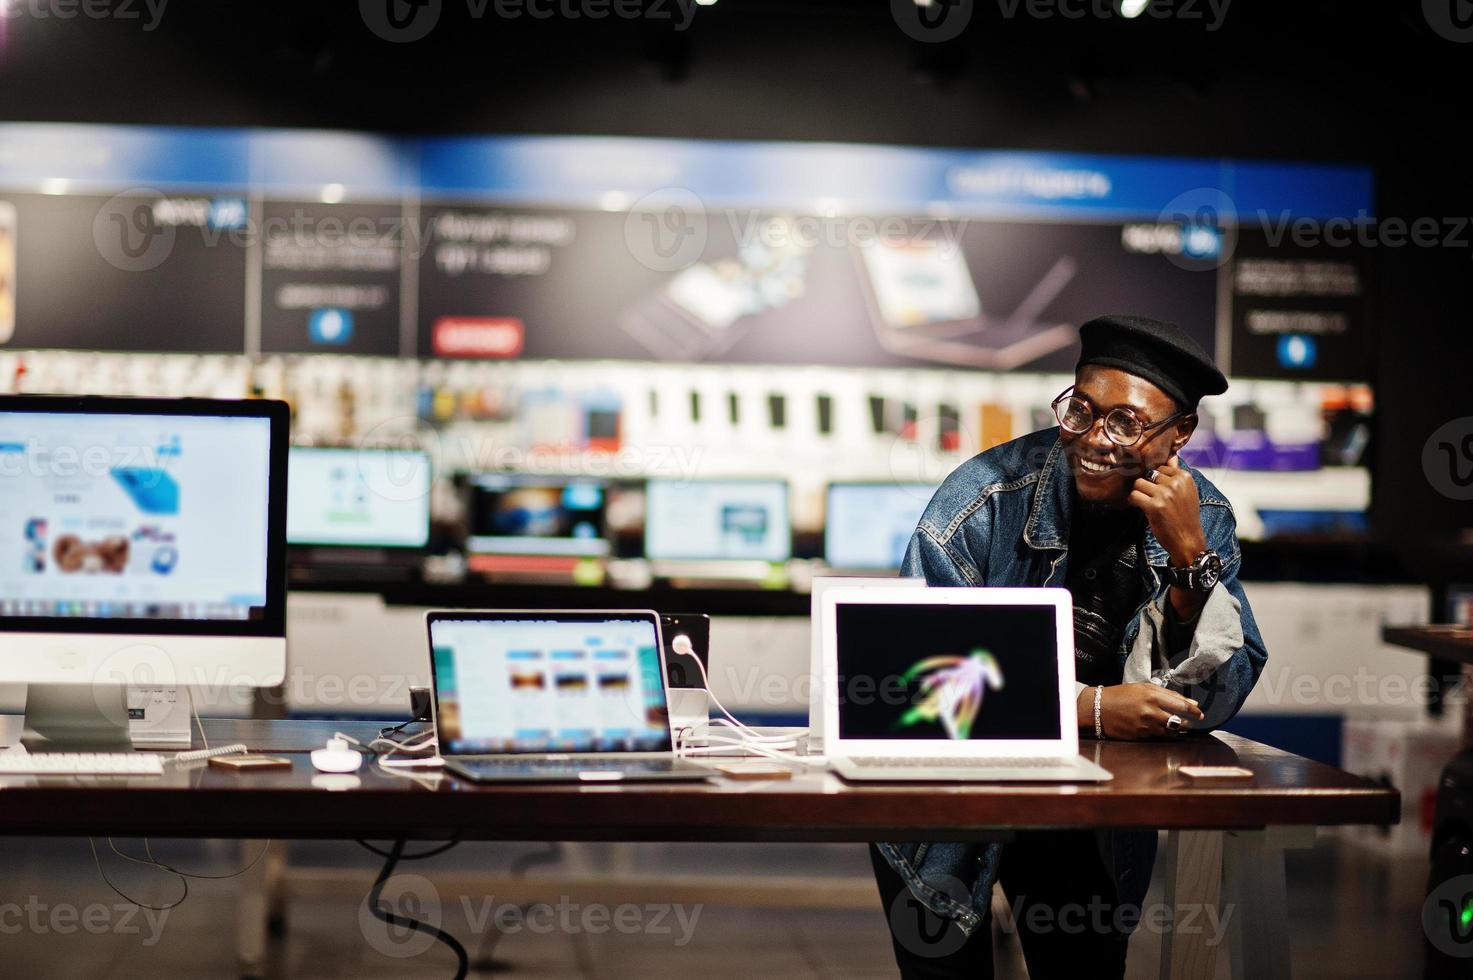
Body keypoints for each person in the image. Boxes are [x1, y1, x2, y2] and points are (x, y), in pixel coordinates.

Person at [871, 314, 1268, 979]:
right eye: (1080, 410)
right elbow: (915, 687)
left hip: (1086, 809)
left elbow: (1213, 699)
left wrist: (1189, 562)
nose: (1093, 440)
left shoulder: (1206, 520)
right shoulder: (984, 499)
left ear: (1179, 435)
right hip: (947, 808)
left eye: (1125, 422)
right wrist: (1088, 708)